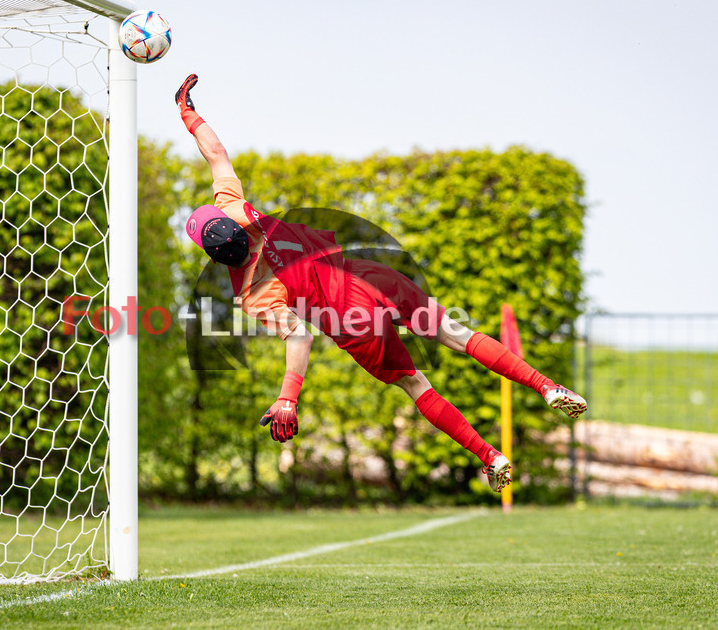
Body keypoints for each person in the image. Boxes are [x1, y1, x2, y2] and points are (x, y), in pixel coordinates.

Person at [175, 73, 587, 493]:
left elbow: (299, 338)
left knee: (415, 383)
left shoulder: (252, 292)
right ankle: (546, 385)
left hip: (351, 324)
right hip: (371, 279)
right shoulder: (242, 211)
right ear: (228, 220)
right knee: (456, 333)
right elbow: (216, 153)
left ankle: (490, 455)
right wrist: (188, 114)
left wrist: (288, 397)